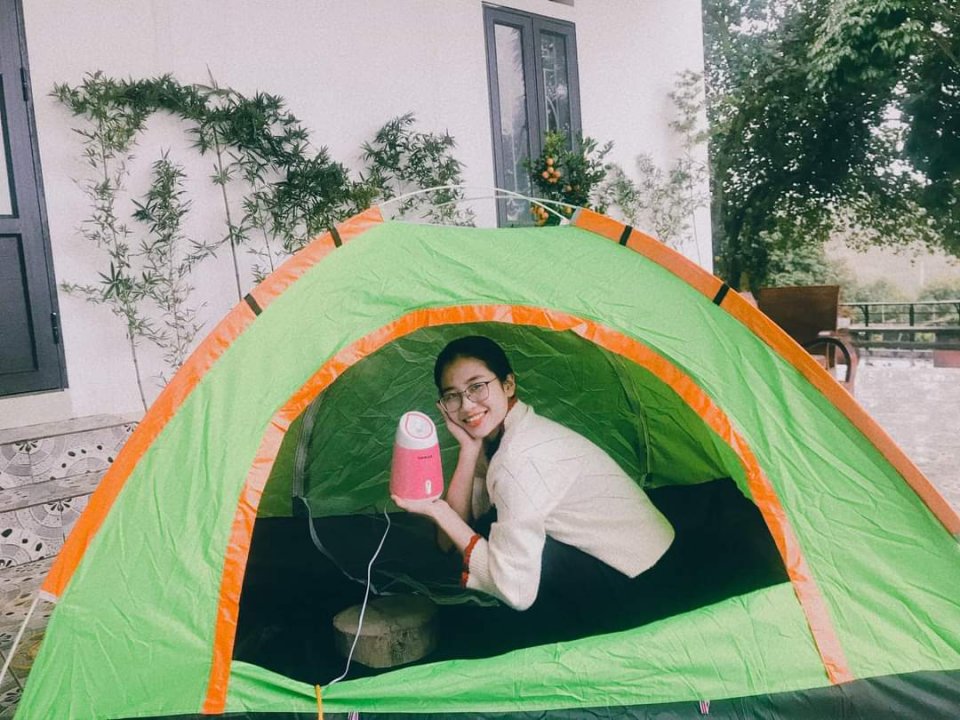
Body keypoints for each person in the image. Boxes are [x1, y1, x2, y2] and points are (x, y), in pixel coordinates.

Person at [391, 335, 675, 616]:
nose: (466, 406)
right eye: (452, 396)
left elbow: (517, 592)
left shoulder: (519, 456)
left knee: (501, 552)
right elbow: (447, 543)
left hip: (643, 578)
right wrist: (469, 449)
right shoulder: (499, 437)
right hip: (637, 558)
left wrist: (439, 511)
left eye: (476, 387)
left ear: (508, 385)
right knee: (488, 529)